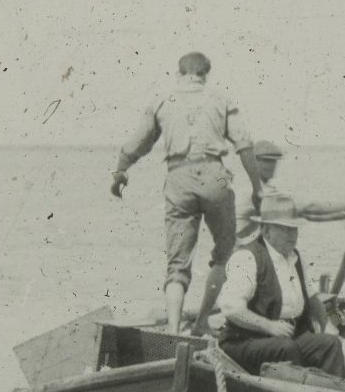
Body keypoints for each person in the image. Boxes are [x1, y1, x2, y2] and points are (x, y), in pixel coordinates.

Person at [109, 51, 256, 335]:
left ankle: (174, 332)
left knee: (177, 264)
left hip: (177, 177)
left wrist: (119, 174)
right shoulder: (221, 100)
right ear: (205, 75)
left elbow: (134, 146)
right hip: (215, 175)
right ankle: (201, 323)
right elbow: (245, 145)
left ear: (179, 73)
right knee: (226, 254)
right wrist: (258, 188)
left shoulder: (163, 101)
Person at [214, 190, 345, 381]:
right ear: (266, 230)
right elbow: (231, 308)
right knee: (285, 349)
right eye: (286, 229)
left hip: (288, 336)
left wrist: (328, 324)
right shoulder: (247, 257)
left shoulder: (294, 257)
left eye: (294, 229)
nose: (292, 235)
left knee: (330, 344)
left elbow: (312, 298)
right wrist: (269, 326)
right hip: (246, 340)